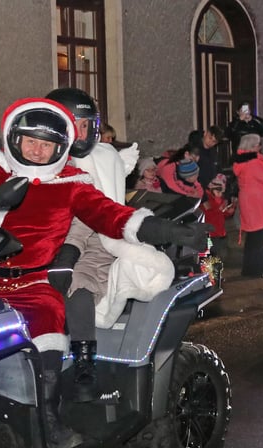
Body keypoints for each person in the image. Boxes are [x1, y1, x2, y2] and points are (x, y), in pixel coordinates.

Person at [0, 97, 207, 448]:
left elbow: (111, 214)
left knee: (48, 325)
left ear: (60, 147)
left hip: (33, 282)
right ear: (14, 137)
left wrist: (167, 231)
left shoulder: (72, 182)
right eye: (30, 141)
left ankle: (46, 416)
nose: (36, 150)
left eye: (46, 144)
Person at [44, 87, 174, 403]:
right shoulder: (39, 158)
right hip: (50, 238)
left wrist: (71, 250)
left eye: (85, 125)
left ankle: (85, 362)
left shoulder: (99, 158)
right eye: (71, 125)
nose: (79, 133)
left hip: (97, 237)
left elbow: (94, 212)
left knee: (79, 283)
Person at [233, 133, 263, 277]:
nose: (261, 147)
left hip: (251, 202)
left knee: (254, 238)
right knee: (257, 238)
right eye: (259, 144)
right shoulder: (252, 163)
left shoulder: (245, 161)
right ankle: (255, 269)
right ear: (253, 146)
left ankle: (253, 268)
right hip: (256, 204)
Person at [201, 173, 235, 261]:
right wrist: (219, 208)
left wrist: (228, 211)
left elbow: (221, 214)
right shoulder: (205, 200)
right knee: (208, 255)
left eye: (222, 192)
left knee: (216, 255)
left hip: (218, 233)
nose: (220, 194)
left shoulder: (219, 199)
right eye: (218, 191)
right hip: (209, 234)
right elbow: (209, 214)